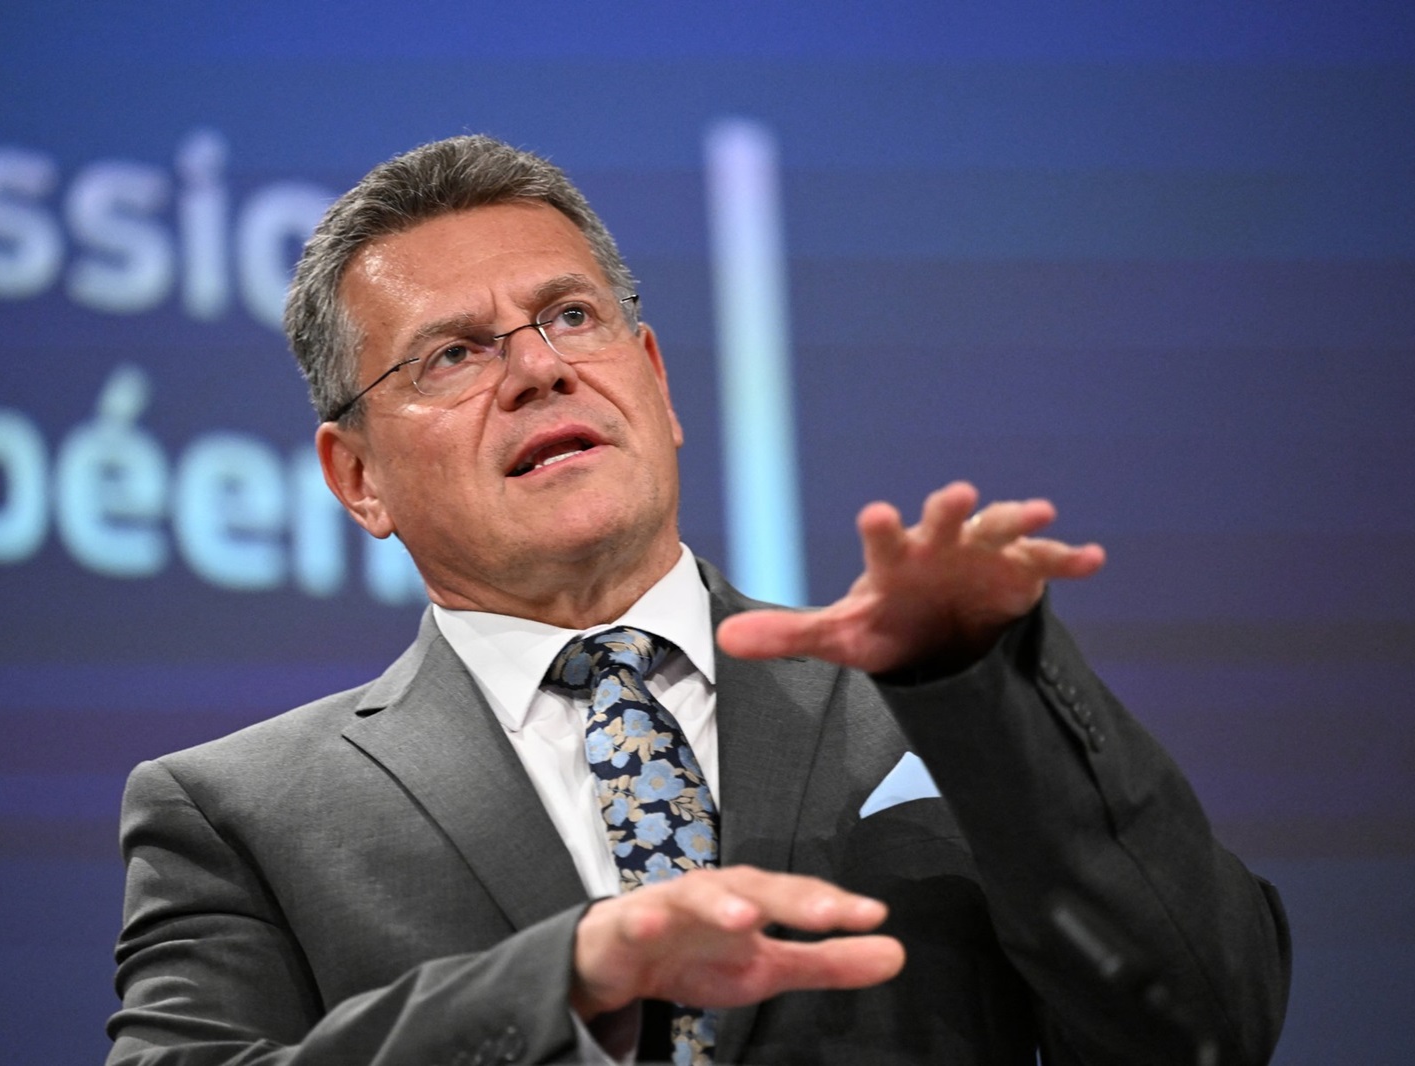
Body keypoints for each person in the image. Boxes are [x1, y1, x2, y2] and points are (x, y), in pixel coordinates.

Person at [106, 135, 1290, 1066]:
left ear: (655, 379)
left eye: (571, 315)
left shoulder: (922, 703)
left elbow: (1206, 1025)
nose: (537, 367)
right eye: (452, 356)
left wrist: (989, 695)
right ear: (355, 477)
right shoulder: (237, 812)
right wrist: (568, 975)